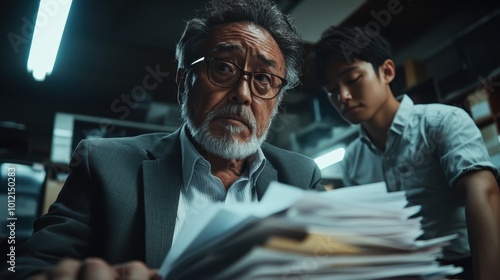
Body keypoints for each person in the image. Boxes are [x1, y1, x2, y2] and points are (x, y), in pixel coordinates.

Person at [2, 1, 324, 279]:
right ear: (184, 83)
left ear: (276, 100)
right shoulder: (104, 164)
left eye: (263, 79)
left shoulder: (301, 177)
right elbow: (29, 266)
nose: (242, 94)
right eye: (223, 68)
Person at [308, 25, 500, 280]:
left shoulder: (442, 122)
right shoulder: (353, 159)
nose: (342, 96)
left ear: (386, 71)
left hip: (465, 267)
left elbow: (484, 194)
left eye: (352, 79)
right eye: (331, 90)